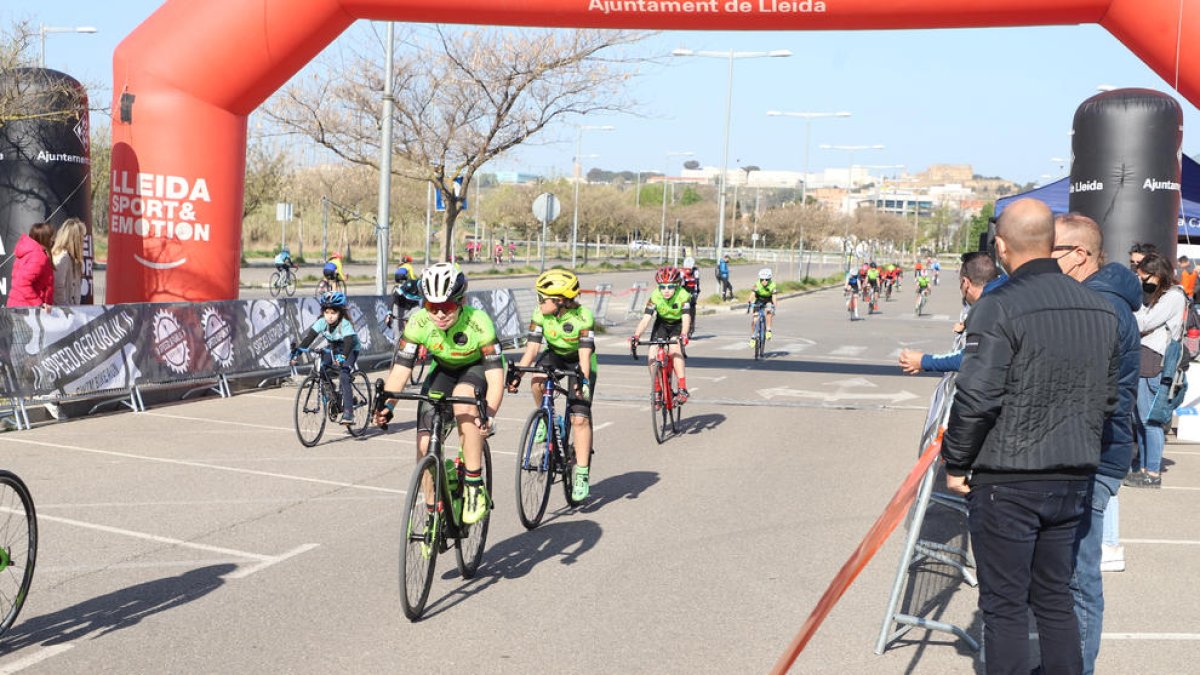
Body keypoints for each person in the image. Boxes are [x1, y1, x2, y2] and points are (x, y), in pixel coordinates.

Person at [941, 198, 1119, 675]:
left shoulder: (998, 304)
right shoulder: (1099, 307)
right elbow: (1107, 400)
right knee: (1055, 598)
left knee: (1004, 606)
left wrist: (956, 463)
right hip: (1073, 473)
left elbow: (977, 396)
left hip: (1009, 477)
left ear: (1001, 246)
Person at [1051, 213, 1140, 674]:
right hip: (1086, 454)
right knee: (1064, 575)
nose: (1041, 259)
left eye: (1051, 250)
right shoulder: (1094, 300)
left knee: (1079, 577)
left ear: (1080, 255)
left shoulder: (1100, 308)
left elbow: (1096, 396)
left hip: (1094, 457)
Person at [375, 263, 504, 525]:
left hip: (475, 369)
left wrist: (488, 413)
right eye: (432, 307)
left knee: (464, 401)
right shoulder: (418, 322)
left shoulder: (479, 323)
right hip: (443, 371)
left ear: (462, 301)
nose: (440, 314)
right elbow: (401, 370)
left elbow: (495, 376)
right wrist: (388, 405)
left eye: (447, 306)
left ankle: (474, 486)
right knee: (424, 446)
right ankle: (434, 513)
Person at [507, 269, 597, 501]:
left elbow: (585, 357)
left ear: (559, 301)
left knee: (580, 417)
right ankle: (548, 419)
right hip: (555, 354)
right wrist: (518, 374)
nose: (538, 302)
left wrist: (582, 382)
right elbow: (531, 351)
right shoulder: (540, 314)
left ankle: (582, 474)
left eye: (542, 298)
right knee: (537, 380)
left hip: (580, 359)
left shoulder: (583, 317)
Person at [1127, 252, 1185, 490]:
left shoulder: (1173, 296)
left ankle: (1152, 472)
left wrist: (1138, 312)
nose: (1143, 282)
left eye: (1145, 277)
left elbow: (1143, 323)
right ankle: (1142, 468)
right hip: (1145, 358)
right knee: (1140, 419)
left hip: (1157, 361)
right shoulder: (1158, 296)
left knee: (1151, 420)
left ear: (1158, 274)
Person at [898, 252, 1001, 374]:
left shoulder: (988, 308)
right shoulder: (1003, 296)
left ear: (965, 283)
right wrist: (967, 323)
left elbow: (970, 358)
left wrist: (923, 361)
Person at [291, 291, 361, 425]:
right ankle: (333, 396)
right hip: (334, 347)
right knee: (322, 369)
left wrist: (343, 357)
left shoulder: (345, 324)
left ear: (340, 312)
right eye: (327, 312)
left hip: (350, 348)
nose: (329, 316)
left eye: (333, 313)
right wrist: (298, 352)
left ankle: (348, 413)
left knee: (344, 375)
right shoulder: (322, 322)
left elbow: (348, 343)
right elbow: (309, 338)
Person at [629, 266, 692, 403]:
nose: (666, 290)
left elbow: (686, 318)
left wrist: (684, 334)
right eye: (662, 287)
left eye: (670, 286)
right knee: (652, 353)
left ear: (676, 285)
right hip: (662, 324)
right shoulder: (655, 296)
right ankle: (657, 389)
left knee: (675, 349)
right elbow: (646, 319)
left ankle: (682, 387)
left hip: (678, 324)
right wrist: (636, 336)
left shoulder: (683, 295)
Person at [6, 222, 55, 308]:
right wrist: (39, 304)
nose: (52, 240)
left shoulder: (28, 252)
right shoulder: (38, 256)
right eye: (50, 237)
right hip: (27, 310)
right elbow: (23, 283)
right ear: (43, 238)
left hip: (17, 306)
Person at [51, 218, 85, 306]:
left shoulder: (73, 259)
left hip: (71, 309)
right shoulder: (63, 257)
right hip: (63, 312)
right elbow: (57, 285)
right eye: (82, 237)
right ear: (74, 239)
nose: (83, 241)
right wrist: (65, 306)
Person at [385, 266, 422, 337]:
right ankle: (398, 343)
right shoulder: (409, 284)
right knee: (398, 332)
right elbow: (394, 296)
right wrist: (389, 313)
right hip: (400, 307)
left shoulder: (417, 284)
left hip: (413, 306)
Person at [749, 268, 777, 341]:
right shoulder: (756, 284)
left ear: (770, 279)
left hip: (768, 299)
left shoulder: (772, 285)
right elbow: (752, 294)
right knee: (754, 319)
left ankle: (768, 330)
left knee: (769, 311)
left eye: (766, 279)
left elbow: (774, 297)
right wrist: (749, 302)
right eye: (762, 279)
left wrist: (774, 306)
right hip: (759, 299)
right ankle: (753, 336)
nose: (764, 281)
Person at [680, 256, 700, 337]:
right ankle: (681, 329)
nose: (688, 270)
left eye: (689, 269)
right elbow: (679, 286)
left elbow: (697, 285)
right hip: (683, 295)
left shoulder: (696, 272)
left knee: (691, 313)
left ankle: (690, 329)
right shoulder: (681, 273)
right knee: (682, 313)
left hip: (692, 295)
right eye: (686, 269)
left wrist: (696, 293)